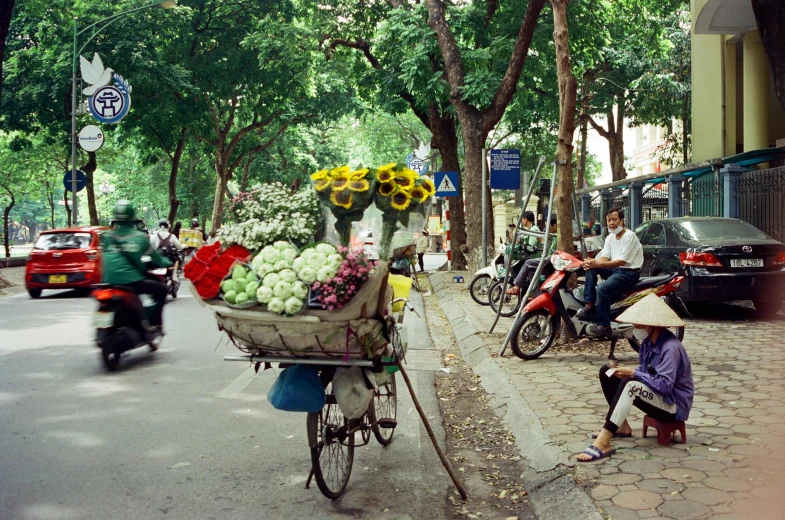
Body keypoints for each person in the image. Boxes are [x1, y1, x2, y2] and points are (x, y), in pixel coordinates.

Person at [576, 293, 694, 462]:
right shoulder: (647, 343)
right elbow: (646, 370)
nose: (635, 328)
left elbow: (665, 385)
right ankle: (621, 426)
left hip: (673, 405)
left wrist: (633, 373)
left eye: (638, 325)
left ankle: (603, 441)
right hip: (659, 396)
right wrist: (623, 370)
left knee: (630, 385)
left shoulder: (670, 348)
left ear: (650, 325)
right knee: (607, 372)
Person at [100, 200, 171, 336]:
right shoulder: (140, 237)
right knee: (162, 289)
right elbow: (157, 259)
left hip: (107, 281)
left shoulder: (107, 236)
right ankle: (155, 323)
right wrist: (167, 262)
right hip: (130, 280)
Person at [577, 208, 643, 336]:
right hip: (615, 270)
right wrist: (593, 263)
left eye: (615, 220)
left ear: (622, 221)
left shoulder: (630, 236)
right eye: (609, 220)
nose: (611, 223)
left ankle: (604, 325)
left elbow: (622, 261)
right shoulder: (610, 238)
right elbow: (605, 257)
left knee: (602, 288)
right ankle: (589, 304)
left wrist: (599, 263)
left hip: (629, 273)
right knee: (591, 268)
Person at [505, 216, 557, 296]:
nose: (547, 228)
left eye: (548, 225)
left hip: (548, 260)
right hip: (544, 258)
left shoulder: (536, 231)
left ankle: (517, 286)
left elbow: (532, 244)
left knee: (527, 263)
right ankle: (536, 294)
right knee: (530, 271)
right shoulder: (550, 235)